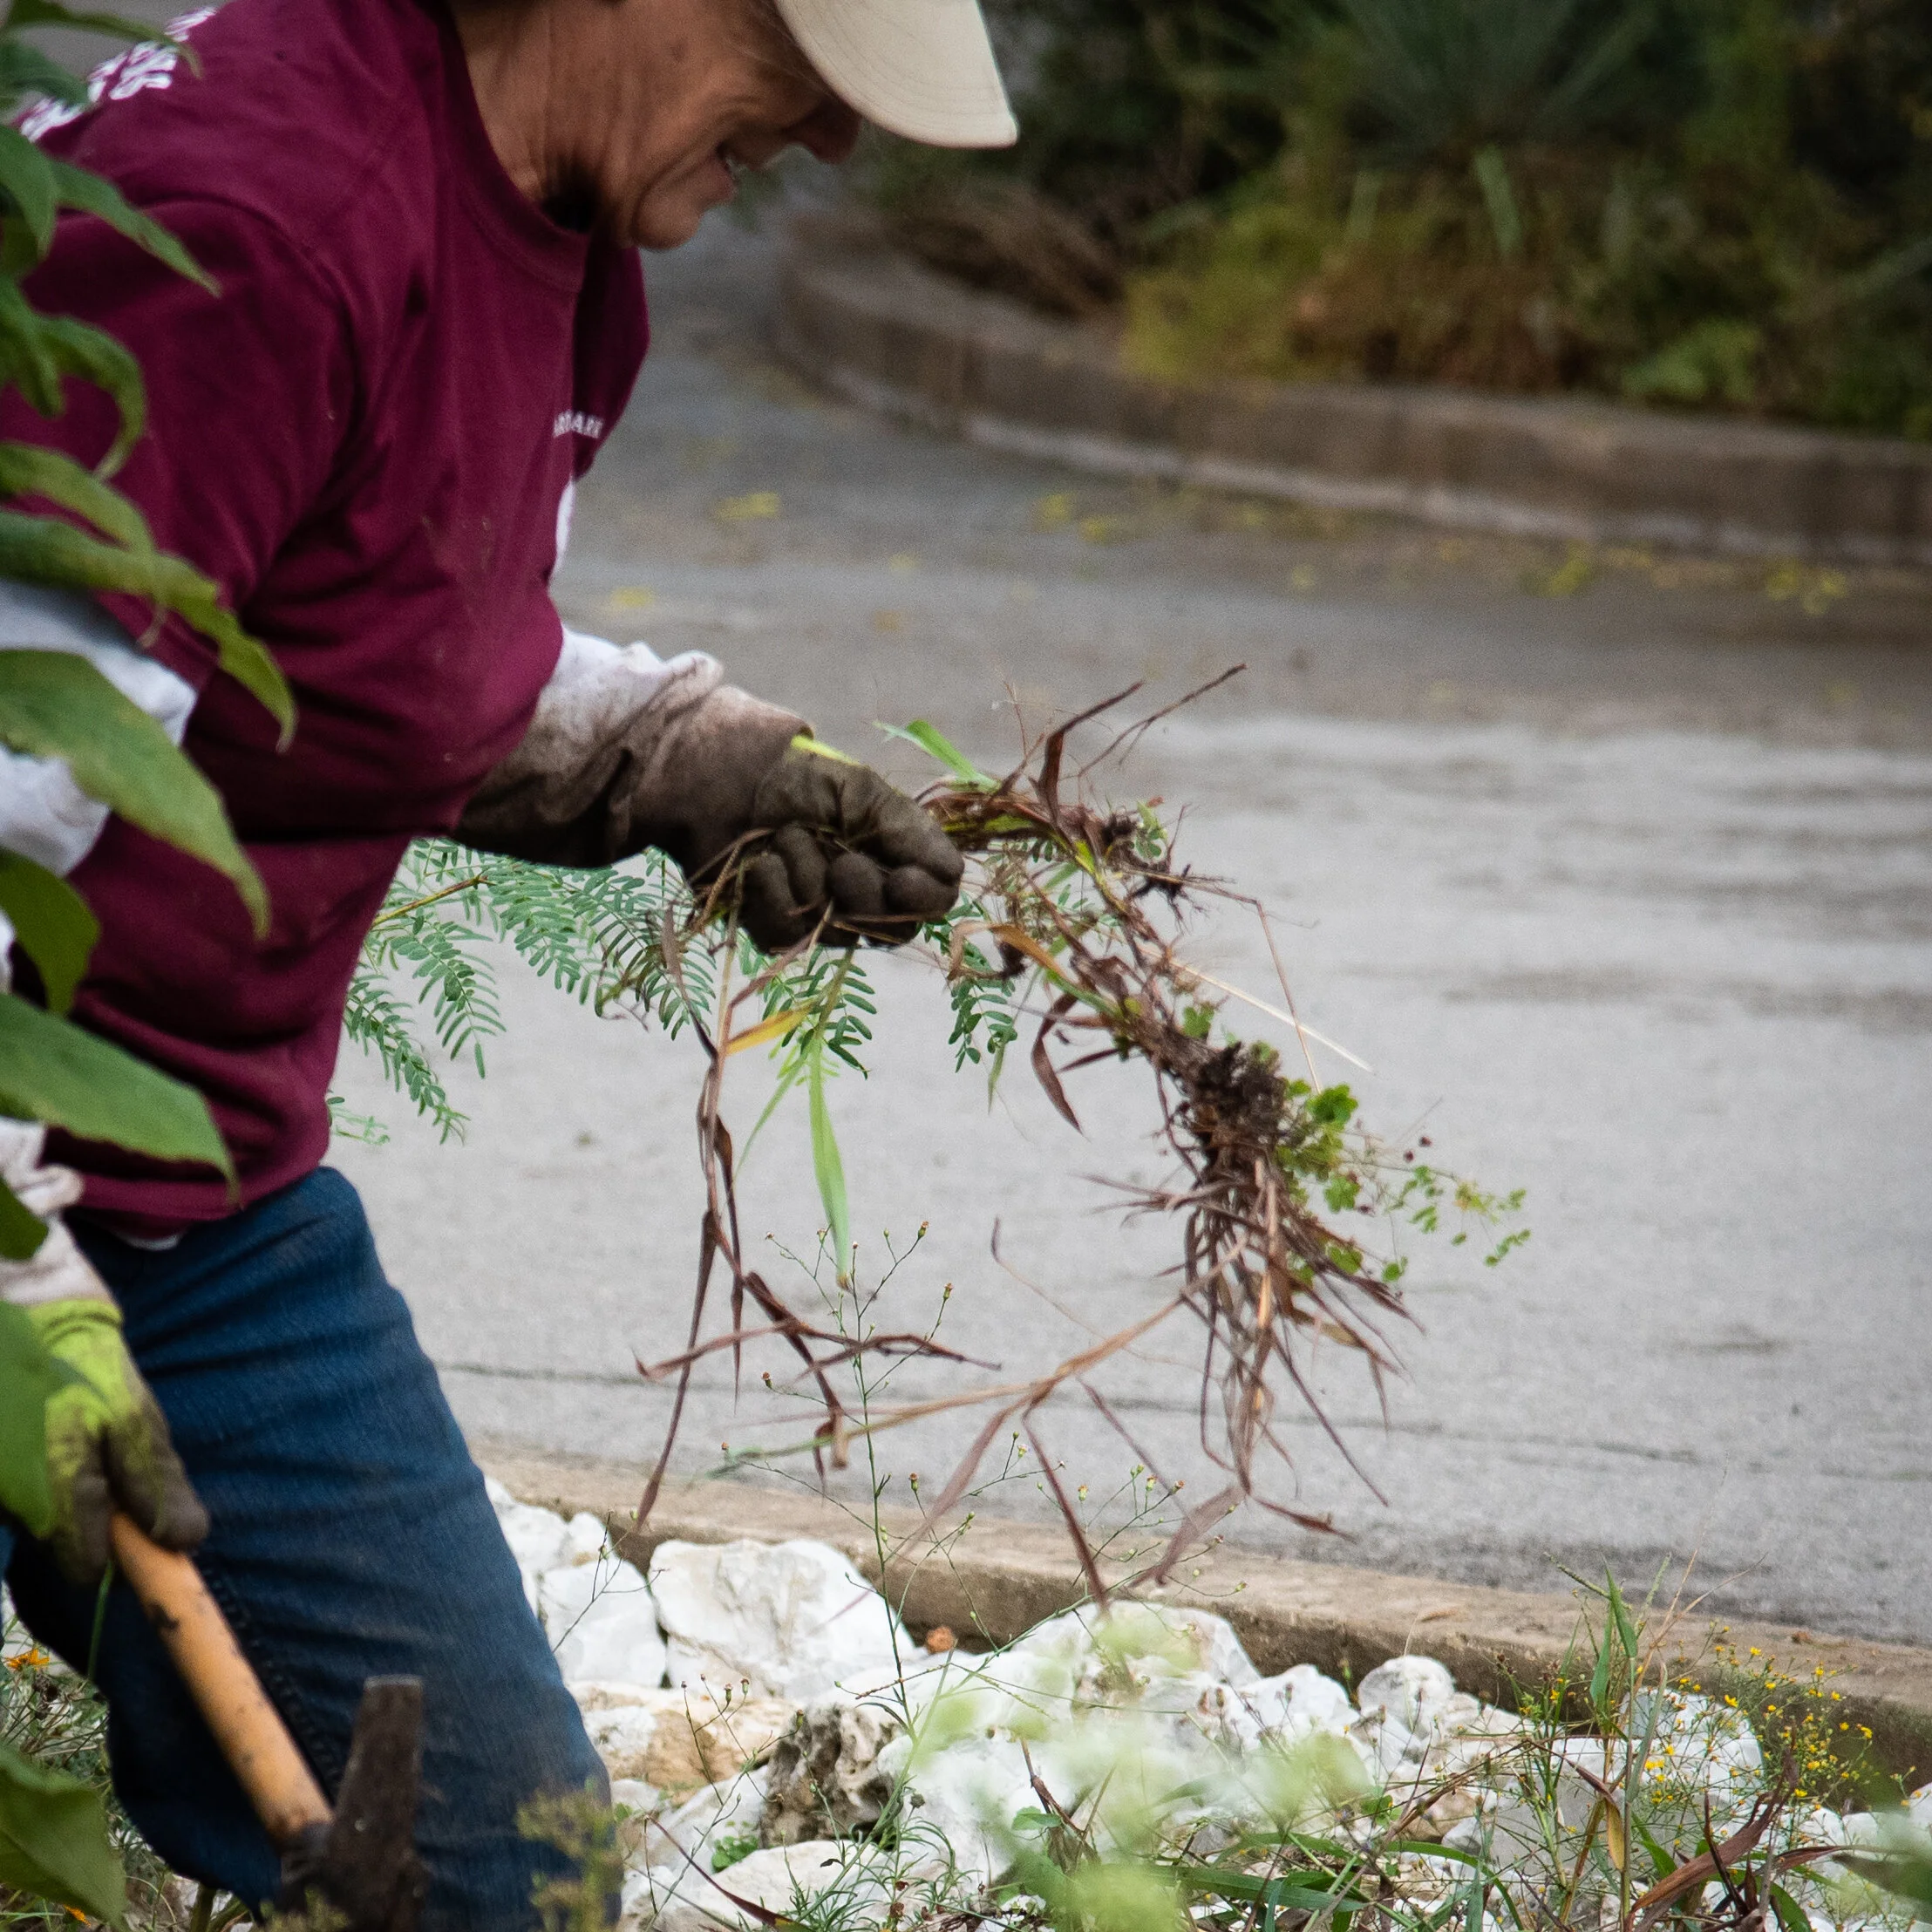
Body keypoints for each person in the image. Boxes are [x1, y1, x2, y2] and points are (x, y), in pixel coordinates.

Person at [0, 0, 1013, 1919]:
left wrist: (653, 749)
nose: (830, 144)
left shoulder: (561, 226)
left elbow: (350, 614)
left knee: (498, 1872)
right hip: (21, 1199)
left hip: (183, 1209)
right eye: (806, 62)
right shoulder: (256, 230)